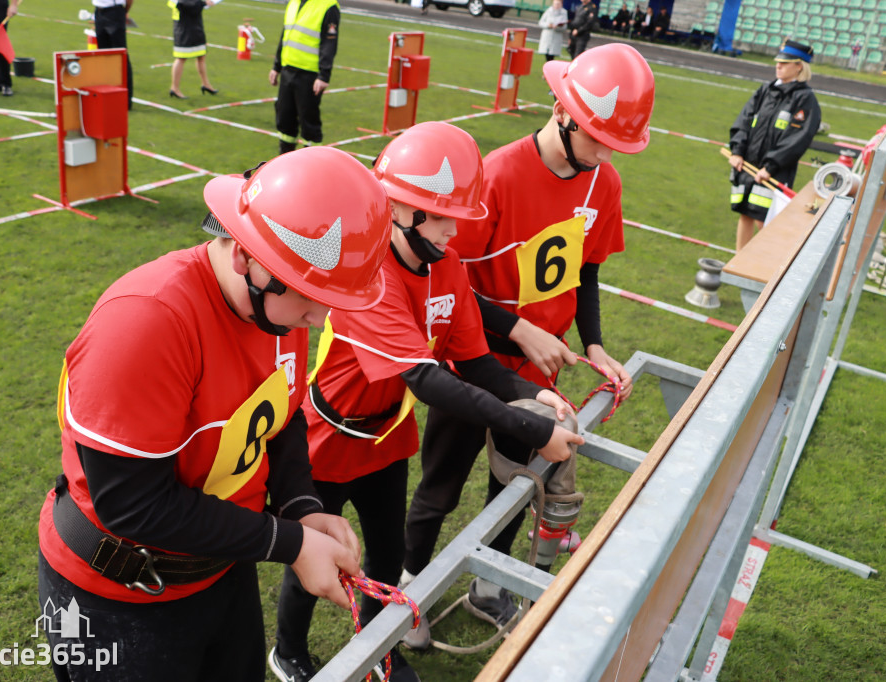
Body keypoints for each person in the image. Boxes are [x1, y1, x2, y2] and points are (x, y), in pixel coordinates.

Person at [36, 146, 393, 681]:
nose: (320, 320)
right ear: (246, 258)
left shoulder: (275, 302)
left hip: (217, 568)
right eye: (311, 299)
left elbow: (282, 412)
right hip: (121, 597)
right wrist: (288, 542)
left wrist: (301, 506)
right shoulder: (145, 323)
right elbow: (132, 504)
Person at [270, 122, 583, 682]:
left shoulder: (448, 266)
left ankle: (380, 652)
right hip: (327, 438)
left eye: (454, 215)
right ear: (395, 208)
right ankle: (289, 651)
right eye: (437, 215)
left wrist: (539, 394)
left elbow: (478, 365)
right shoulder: (368, 276)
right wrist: (534, 431)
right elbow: (428, 380)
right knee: (314, 558)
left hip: (388, 434)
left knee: (387, 558)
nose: (450, 229)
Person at [402, 44, 655, 643]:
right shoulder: (495, 175)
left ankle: (488, 588)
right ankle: (408, 591)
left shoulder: (604, 181)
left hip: (541, 369)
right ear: (564, 113)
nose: (607, 154)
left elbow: (586, 270)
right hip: (471, 363)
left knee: (517, 485)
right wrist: (519, 328)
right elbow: (448, 279)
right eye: (599, 138)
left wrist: (592, 343)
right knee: (440, 483)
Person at [728, 39, 820, 250]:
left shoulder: (805, 99)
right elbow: (744, 120)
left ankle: (767, 268)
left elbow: (797, 139)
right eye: (778, 61)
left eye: (785, 63)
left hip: (774, 172)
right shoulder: (765, 90)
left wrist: (770, 167)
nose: (778, 65)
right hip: (748, 165)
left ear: (799, 66)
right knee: (745, 213)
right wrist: (737, 151)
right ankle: (738, 262)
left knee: (767, 222)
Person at [269, 0, 339, 155]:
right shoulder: (293, 2)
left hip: (310, 76)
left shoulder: (328, 6)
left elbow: (329, 44)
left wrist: (323, 76)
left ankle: (312, 164)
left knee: (309, 122)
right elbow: (285, 35)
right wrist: (276, 66)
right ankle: (284, 160)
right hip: (288, 70)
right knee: (284, 118)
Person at [168, 0, 217, 99]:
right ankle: (174, 88)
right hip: (185, 28)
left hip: (194, 26)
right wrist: (204, 3)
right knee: (181, 58)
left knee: (201, 56)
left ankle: (205, 84)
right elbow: (189, 6)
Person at [93, 0, 134, 109]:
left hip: (115, 12)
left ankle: (126, 100)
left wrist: (122, 12)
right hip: (99, 12)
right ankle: (108, 94)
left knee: (120, 57)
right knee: (103, 56)